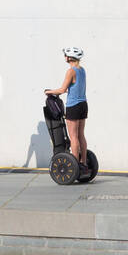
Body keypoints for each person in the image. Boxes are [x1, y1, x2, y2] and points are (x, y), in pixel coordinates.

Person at [45, 45, 88, 173]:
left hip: (73, 106)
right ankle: (83, 163)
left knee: (73, 137)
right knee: (81, 135)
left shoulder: (71, 71)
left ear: (69, 57)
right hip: (83, 105)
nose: (65, 57)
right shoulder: (82, 70)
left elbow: (63, 89)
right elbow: (74, 87)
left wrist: (49, 92)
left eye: (65, 55)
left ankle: (75, 167)